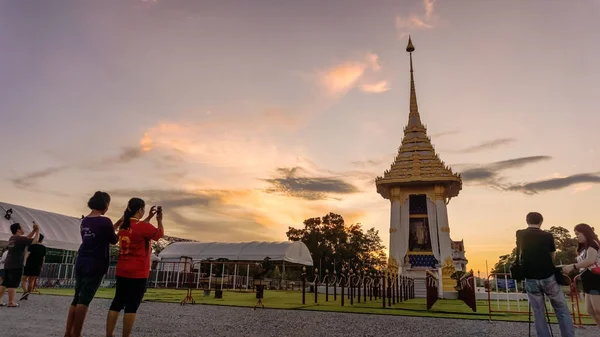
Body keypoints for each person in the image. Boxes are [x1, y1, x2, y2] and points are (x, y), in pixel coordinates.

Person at [64, 191, 120, 337]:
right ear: (105, 205)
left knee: (77, 297)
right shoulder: (105, 221)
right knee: (85, 298)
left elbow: (104, 231)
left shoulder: (86, 221)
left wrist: (119, 222)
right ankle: (77, 333)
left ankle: (68, 332)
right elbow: (113, 239)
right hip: (96, 262)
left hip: (82, 259)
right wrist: (122, 229)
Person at [106, 198, 164, 337]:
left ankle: (109, 334)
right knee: (132, 305)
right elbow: (158, 234)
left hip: (122, 268)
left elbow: (138, 228)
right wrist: (159, 220)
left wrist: (149, 217)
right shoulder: (142, 227)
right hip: (138, 271)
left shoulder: (124, 226)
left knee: (117, 301)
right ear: (140, 210)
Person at [518, 212, 574, 337]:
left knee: (538, 312)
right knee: (561, 309)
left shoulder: (521, 234)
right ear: (541, 221)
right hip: (548, 276)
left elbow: (521, 253)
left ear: (527, 221)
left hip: (530, 276)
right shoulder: (547, 235)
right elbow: (552, 254)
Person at [562, 223, 600, 327]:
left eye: (578, 234)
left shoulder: (593, 243)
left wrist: (573, 266)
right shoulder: (584, 247)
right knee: (591, 310)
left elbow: (590, 260)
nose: (576, 236)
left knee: (598, 309)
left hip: (596, 279)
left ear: (585, 233)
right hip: (587, 280)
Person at [0, 222, 40, 307]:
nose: (23, 229)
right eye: (21, 227)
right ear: (18, 229)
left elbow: (27, 238)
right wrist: (37, 231)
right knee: (13, 284)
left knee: (4, 283)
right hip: (16, 264)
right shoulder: (19, 239)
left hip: (8, 264)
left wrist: (33, 230)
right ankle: (11, 302)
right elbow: (35, 241)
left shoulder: (13, 238)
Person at [20, 233, 47, 300]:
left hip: (29, 264)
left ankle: (25, 291)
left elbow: (27, 254)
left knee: (23, 279)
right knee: (31, 281)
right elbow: (43, 258)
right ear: (42, 240)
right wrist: (42, 266)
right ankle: (27, 294)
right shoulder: (43, 248)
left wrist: (24, 262)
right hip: (37, 265)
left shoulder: (32, 246)